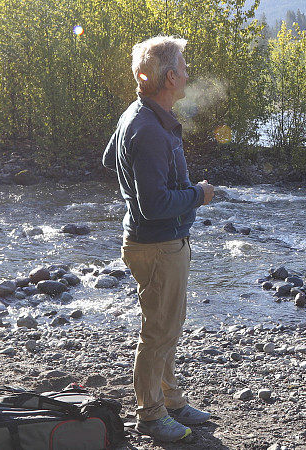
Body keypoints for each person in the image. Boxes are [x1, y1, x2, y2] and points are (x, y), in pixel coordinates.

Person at [102, 35, 214, 442]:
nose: (187, 73)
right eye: (183, 67)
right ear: (169, 77)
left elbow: (108, 159)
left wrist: (133, 184)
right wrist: (198, 195)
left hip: (156, 242)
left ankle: (172, 401)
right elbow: (154, 204)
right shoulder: (148, 127)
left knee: (168, 324)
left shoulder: (137, 114)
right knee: (159, 332)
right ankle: (150, 414)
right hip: (158, 244)